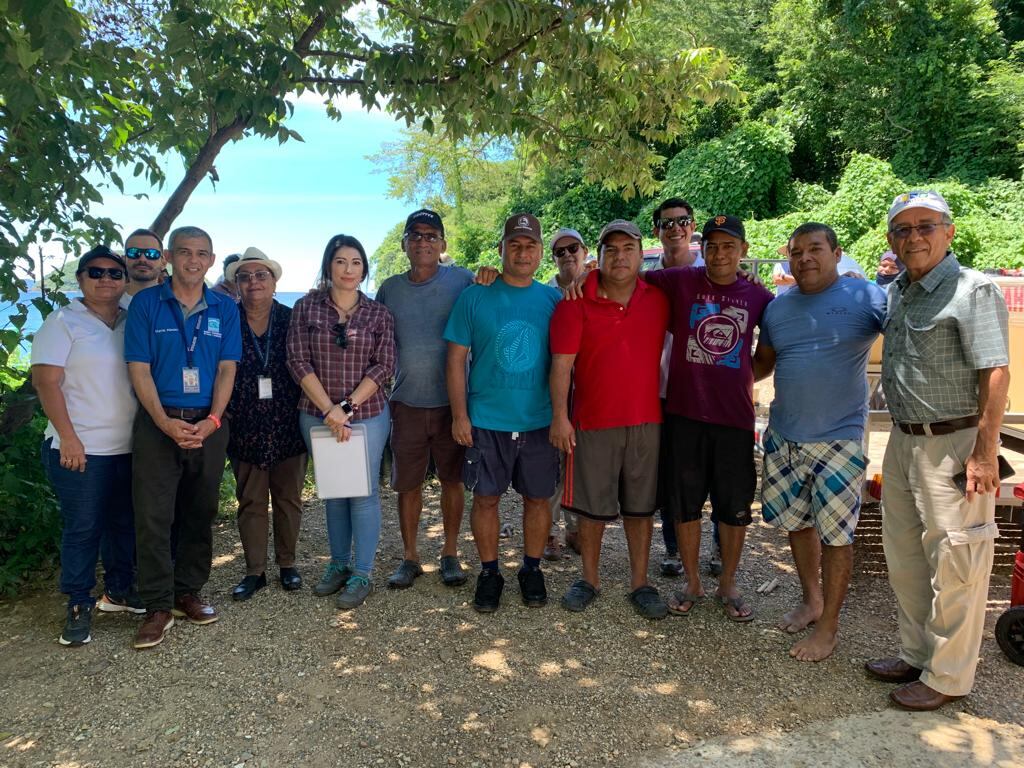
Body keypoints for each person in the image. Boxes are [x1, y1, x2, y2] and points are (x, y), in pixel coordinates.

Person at [866, 191, 1009, 711]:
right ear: (891, 240)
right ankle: (916, 652)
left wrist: (985, 453)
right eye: (902, 230)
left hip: (955, 443)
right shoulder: (900, 291)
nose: (914, 237)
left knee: (956, 559)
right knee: (904, 557)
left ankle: (948, 677)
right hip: (905, 441)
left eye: (925, 226)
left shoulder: (973, 290)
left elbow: (995, 373)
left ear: (948, 231)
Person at [753, 223, 886, 661]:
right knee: (798, 523)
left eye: (815, 249)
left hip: (840, 440)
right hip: (786, 436)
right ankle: (812, 599)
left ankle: (829, 627)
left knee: (837, 536)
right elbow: (762, 366)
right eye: (797, 251)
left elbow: (907, 340)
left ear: (836, 253)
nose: (805, 258)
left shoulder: (866, 297)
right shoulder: (778, 308)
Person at [643, 215, 774, 622]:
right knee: (684, 504)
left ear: (743, 251)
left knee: (733, 506)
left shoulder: (760, 298)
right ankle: (694, 581)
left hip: (734, 419)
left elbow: (766, 357)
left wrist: (739, 375)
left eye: (729, 246)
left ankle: (728, 584)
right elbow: (629, 277)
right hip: (683, 415)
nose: (720, 254)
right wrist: (584, 277)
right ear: (704, 249)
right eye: (713, 246)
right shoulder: (681, 280)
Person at [125, 226, 241, 649]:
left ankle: (188, 591)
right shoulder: (146, 304)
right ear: (170, 257)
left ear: (211, 261)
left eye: (202, 254)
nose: (194, 260)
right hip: (159, 425)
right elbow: (138, 369)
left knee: (200, 510)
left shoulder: (225, 308)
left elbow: (228, 368)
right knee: (153, 516)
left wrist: (213, 420)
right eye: (185, 252)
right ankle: (156, 605)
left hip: (208, 424)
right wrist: (162, 421)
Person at [550, 220, 670, 618]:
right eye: (611, 249)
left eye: (628, 248)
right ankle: (589, 578)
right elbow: (562, 366)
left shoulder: (659, 297)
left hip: (645, 420)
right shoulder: (574, 301)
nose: (620, 257)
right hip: (592, 421)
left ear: (641, 253)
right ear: (597, 256)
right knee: (590, 509)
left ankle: (640, 582)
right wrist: (560, 418)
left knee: (641, 508)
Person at [444, 213, 561, 613]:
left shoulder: (552, 299)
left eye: (530, 246)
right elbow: (455, 359)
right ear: (501, 249)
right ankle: (490, 572)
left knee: (538, 499)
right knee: (486, 499)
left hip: (538, 419)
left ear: (541, 252)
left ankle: (531, 568)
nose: (523, 252)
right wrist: (460, 415)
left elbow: (565, 362)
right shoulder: (475, 296)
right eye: (515, 244)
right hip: (487, 419)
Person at [32, 246, 140, 646]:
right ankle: (78, 603)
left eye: (115, 273)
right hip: (80, 449)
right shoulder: (62, 321)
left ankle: (118, 591)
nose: (106, 279)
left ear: (124, 280)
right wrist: (69, 438)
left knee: (122, 524)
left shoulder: (130, 320)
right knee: (83, 529)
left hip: (127, 447)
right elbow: (46, 382)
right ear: (80, 278)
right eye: (96, 272)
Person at [287, 234, 395, 609]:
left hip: (367, 414)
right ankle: (338, 564)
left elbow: (384, 365)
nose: (349, 270)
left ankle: (363, 572)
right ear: (328, 266)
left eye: (356, 263)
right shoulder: (305, 308)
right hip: (315, 413)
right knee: (334, 492)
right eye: (341, 262)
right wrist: (328, 410)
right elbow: (297, 361)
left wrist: (344, 408)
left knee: (362, 494)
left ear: (364, 269)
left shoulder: (377, 313)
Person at [375, 210, 473, 590]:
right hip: (406, 401)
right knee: (408, 484)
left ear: (443, 244)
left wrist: (490, 275)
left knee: (453, 479)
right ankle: (410, 557)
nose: (423, 242)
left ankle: (450, 553)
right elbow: (375, 338)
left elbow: (490, 302)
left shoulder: (464, 280)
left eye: (432, 236)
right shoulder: (390, 288)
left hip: (454, 403)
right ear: (404, 244)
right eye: (415, 235)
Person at [224, 248, 308, 601]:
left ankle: (287, 564)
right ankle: (254, 571)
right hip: (244, 425)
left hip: (288, 423)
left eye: (261, 276)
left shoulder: (293, 320)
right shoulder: (226, 320)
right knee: (250, 501)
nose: (253, 282)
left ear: (274, 282)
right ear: (237, 285)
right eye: (245, 277)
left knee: (289, 499)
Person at [648, 198, 703, 577]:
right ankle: (672, 549)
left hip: (705, 390)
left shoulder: (714, 271)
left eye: (682, 221)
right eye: (667, 224)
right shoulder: (647, 278)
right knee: (670, 474)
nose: (675, 229)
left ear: (692, 225)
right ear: (657, 231)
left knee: (711, 473)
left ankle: (713, 550)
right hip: (661, 390)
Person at [543, 227, 591, 560]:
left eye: (573, 248)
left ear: (585, 251)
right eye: (560, 251)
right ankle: (548, 532)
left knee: (583, 464)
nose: (568, 255)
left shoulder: (600, 287)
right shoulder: (545, 294)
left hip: (591, 389)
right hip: (553, 389)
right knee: (552, 463)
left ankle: (576, 529)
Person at [121, 228, 167, 306]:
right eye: (134, 252)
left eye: (152, 253)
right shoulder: (109, 300)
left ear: (163, 263)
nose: (142, 259)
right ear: (124, 260)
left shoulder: (177, 303)